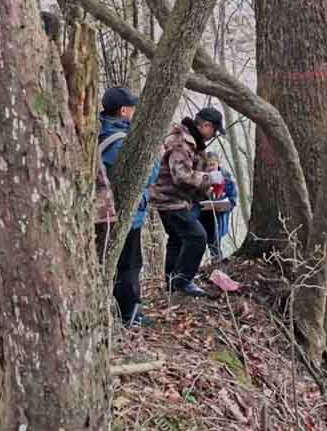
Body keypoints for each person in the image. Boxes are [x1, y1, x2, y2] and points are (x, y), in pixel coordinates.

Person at [98, 87, 160, 327]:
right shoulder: (119, 142)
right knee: (129, 266)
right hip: (125, 216)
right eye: (133, 108)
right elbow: (148, 175)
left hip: (109, 215)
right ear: (124, 111)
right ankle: (130, 315)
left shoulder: (101, 134)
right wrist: (154, 155)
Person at [150, 107, 226, 297]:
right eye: (214, 130)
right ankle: (183, 281)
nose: (213, 135)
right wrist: (210, 178)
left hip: (173, 199)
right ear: (206, 125)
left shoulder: (191, 143)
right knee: (197, 237)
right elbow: (181, 176)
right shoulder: (181, 141)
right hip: (170, 200)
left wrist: (207, 189)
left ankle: (171, 282)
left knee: (177, 239)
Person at [199, 152, 238, 259]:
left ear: (218, 164)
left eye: (212, 164)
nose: (210, 168)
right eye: (207, 165)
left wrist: (224, 205)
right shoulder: (199, 177)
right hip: (202, 218)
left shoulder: (226, 178)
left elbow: (233, 198)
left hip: (218, 219)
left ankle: (216, 266)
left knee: (215, 247)